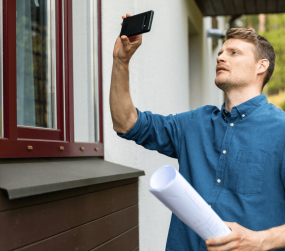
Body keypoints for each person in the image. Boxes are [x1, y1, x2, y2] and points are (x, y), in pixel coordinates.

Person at [110, 13, 285, 251]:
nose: (221, 57)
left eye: (234, 53)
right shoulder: (194, 123)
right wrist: (121, 62)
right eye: (221, 52)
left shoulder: (281, 129)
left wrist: (260, 240)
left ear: (261, 66)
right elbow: (127, 123)